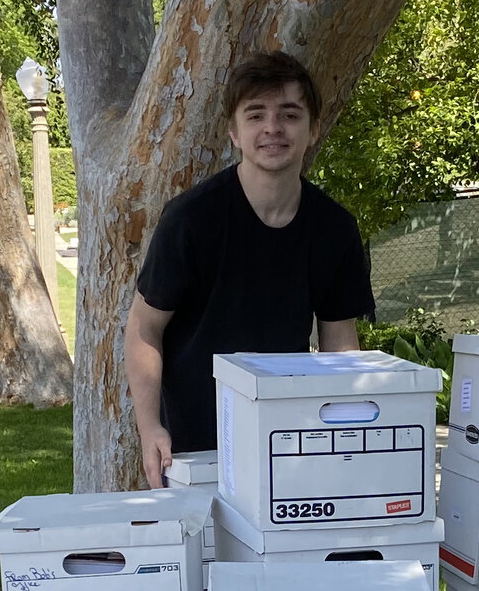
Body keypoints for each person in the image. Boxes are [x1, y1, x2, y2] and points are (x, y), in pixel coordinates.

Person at [125, 50, 377, 487]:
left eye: (290, 115)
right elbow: (144, 328)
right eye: (256, 114)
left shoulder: (335, 229)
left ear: (314, 129)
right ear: (234, 131)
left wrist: (349, 432)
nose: (272, 127)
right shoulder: (191, 220)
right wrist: (150, 428)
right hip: (193, 448)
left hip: (292, 442)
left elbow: (340, 343)